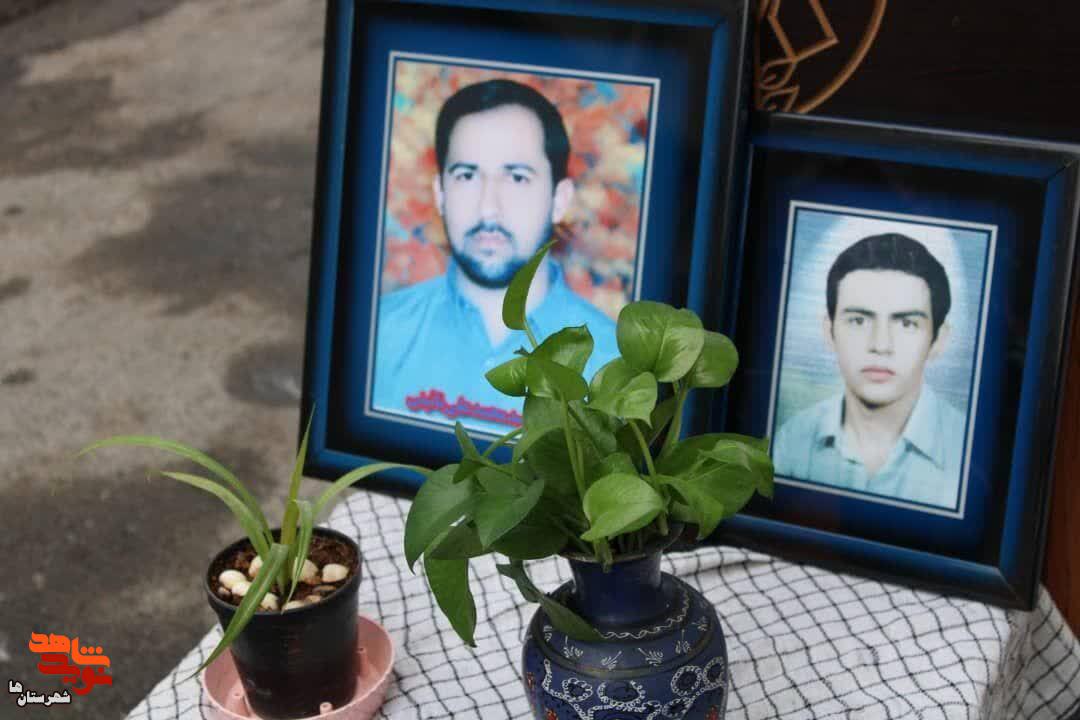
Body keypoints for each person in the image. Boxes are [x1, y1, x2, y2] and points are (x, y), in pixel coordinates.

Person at [372, 79, 619, 433]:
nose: (488, 208)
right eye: (467, 175)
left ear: (559, 200)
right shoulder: (377, 336)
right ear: (440, 193)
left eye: (517, 178)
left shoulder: (614, 365)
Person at [772, 233, 968, 509]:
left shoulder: (968, 453)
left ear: (938, 340)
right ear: (829, 332)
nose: (880, 345)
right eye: (858, 320)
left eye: (907, 324)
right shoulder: (791, 440)